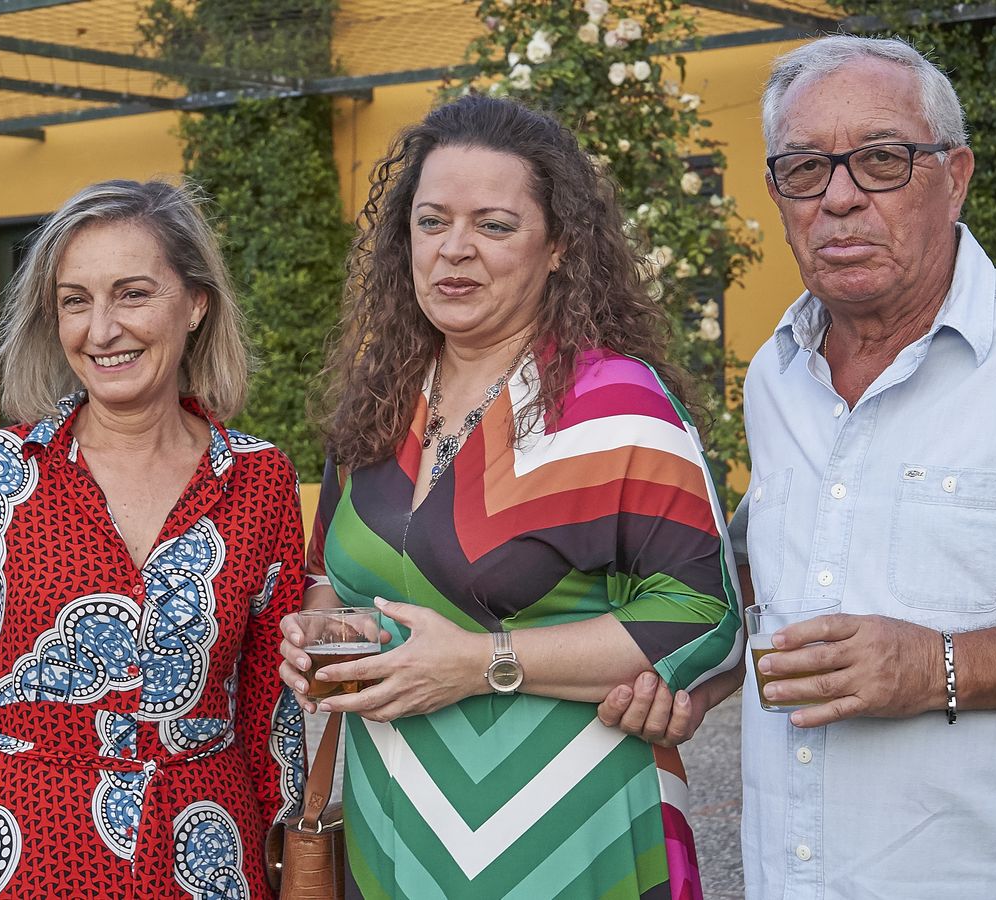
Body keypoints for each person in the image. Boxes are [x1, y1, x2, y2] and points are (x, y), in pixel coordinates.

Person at [605, 34, 996, 898]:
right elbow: (769, 576)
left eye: (881, 160)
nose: (838, 198)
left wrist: (940, 667)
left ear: (957, 176)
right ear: (777, 193)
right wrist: (700, 674)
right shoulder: (777, 374)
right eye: (805, 169)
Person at [274, 94, 742, 899]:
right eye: (431, 223)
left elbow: (708, 617)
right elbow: (331, 572)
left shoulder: (617, 407)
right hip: (392, 829)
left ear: (558, 245)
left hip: (576, 830)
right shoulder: (381, 400)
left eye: (493, 225)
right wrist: (321, 627)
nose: (455, 251)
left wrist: (481, 663)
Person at [0, 179, 307, 898]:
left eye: (133, 293)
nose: (102, 328)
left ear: (196, 304)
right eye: (75, 301)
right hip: (25, 857)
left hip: (204, 858)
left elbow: (275, 718)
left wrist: (293, 872)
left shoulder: (259, 480)